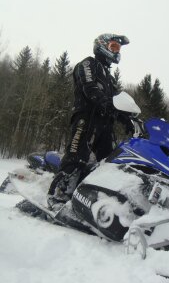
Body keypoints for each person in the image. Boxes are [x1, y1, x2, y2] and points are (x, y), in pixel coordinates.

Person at [47, 33, 133, 210]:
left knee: (107, 163)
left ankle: (94, 201)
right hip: (87, 117)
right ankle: (57, 197)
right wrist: (107, 104)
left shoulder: (108, 77)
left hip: (105, 123)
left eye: (118, 48)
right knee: (77, 155)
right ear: (102, 46)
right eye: (113, 47)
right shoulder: (88, 64)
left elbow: (115, 101)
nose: (116, 51)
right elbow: (90, 88)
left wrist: (127, 118)